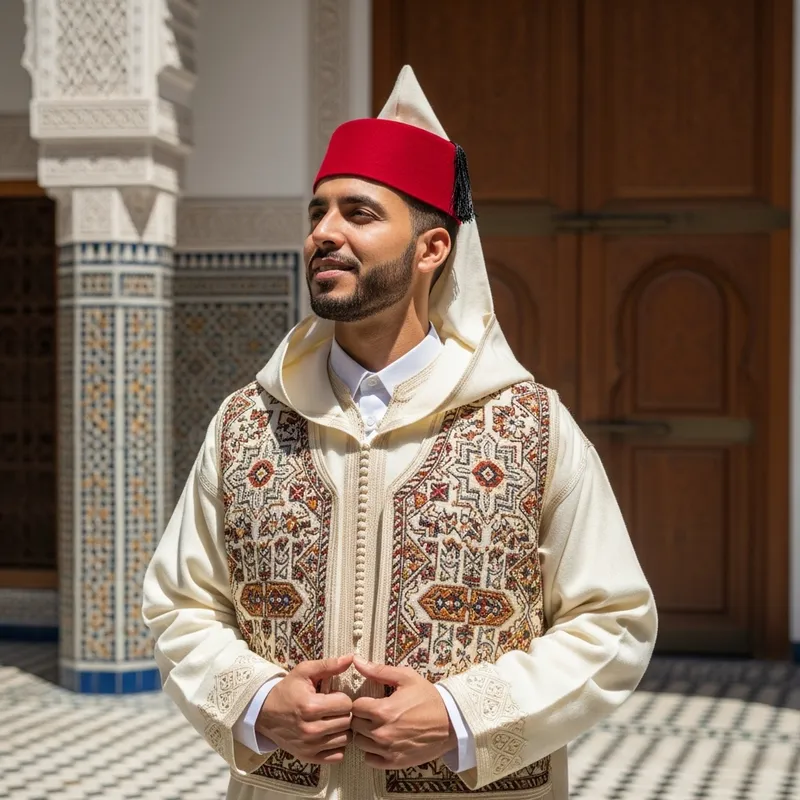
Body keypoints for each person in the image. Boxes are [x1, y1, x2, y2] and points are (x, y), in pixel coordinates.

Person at [143, 66, 657, 800]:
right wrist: (256, 702)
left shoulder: (530, 426)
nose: (324, 233)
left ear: (431, 250)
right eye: (317, 213)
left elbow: (612, 621)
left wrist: (459, 717)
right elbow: (178, 604)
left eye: (358, 213)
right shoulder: (246, 424)